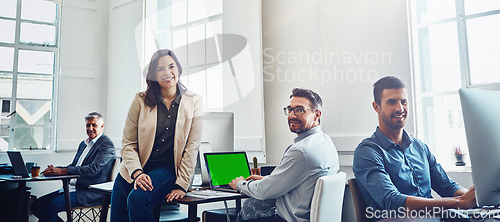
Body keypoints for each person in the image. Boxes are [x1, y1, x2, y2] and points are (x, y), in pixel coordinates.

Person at [353, 76, 476, 220]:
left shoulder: (420, 147)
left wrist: (475, 197)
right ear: (376, 107)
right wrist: (460, 203)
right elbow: (393, 202)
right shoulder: (367, 152)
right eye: (391, 102)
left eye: (403, 102)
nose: (400, 108)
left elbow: (447, 187)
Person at [110, 49, 203, 222]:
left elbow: (192, 148)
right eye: (160, 69)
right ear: (153, 74)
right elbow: (128, 143)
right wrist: (137, 173)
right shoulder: (140, 100)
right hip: (135, 168)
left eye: (171, 66)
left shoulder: (194, 102)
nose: (167, 73)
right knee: (117, 215)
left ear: (179, 69)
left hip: (167, 168)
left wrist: (181, 185)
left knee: (137, 198)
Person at [229, 88, 339, 222]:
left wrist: (240, 184)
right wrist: (266, 179)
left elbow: (263, 192)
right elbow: (301, 180)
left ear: (317, 114)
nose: (292, 115)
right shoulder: (325, 141)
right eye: (290, 110)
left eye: (300, 110)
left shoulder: (301, 151)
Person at [30, 112, 116, 222]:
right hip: (71, 188)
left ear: (102, 126)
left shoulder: (106, 144)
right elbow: (73, 166)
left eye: (94, 125)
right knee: (36, 205)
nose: (90, 128)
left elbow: (92, 169)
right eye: (87, 125)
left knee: (51, 205)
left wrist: (62, 171)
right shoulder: (83, 144)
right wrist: (56, 169)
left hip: (90, 193)